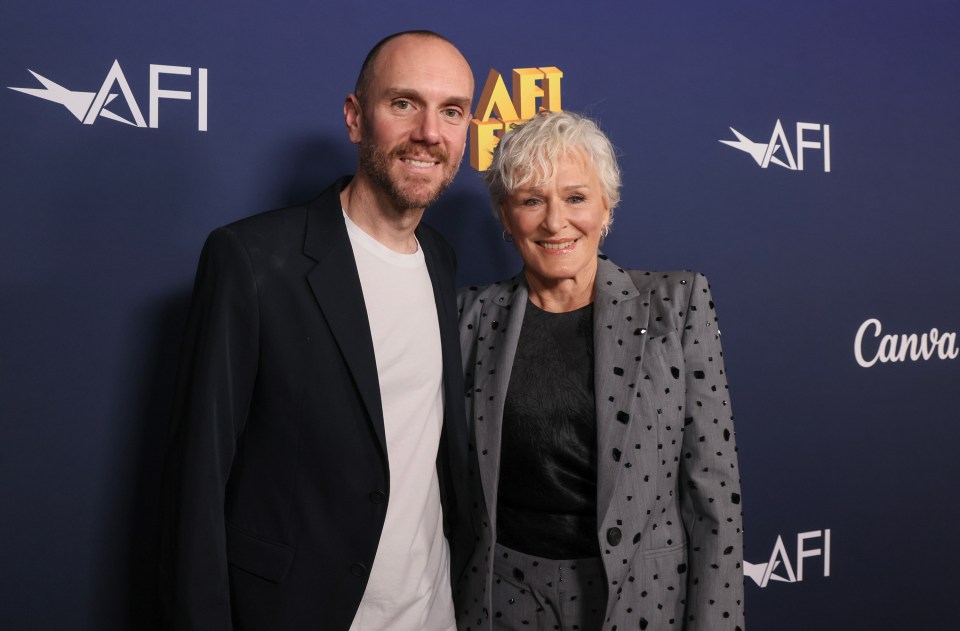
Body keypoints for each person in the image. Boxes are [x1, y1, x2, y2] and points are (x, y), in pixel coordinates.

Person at [159, 30, 475, 630]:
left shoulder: (440, 257)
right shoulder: (251, 259)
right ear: (356, 117)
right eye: (403, 103)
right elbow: (196, 487)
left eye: (451, 111)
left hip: (432, 612)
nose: (430, 133)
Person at [455, 111, 744, 630]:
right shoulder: (470, 317)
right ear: (505, 216)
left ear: (606, 207)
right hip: (505, 601)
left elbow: (714, 494)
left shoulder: (675, 305)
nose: (554, 221)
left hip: (642, 600)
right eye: (530, 200)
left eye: (575, 197)